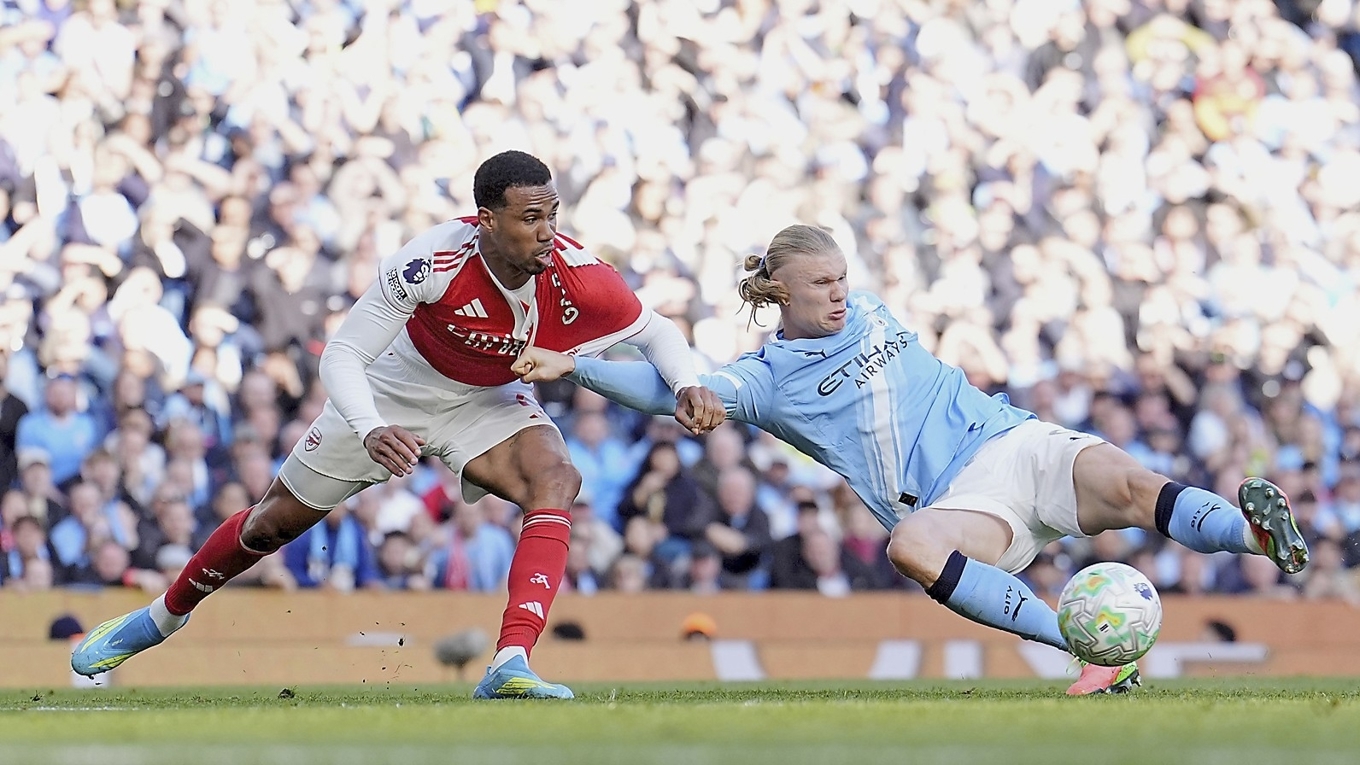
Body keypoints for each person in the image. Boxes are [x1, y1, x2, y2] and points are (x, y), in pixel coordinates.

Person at [513, 224, 1310, 696]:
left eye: (841, 278)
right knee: (911, 546)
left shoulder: (868, 308)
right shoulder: (764, 380)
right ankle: (1089, 650)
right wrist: (576, 365)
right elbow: (671, 391)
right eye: (820, 283)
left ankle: (1254, 536)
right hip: (960, 502)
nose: (838, 292)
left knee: (1135, 482)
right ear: (782, 293)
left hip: (1014, 438)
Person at [71, 151, 724, 699]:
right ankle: (161, 618)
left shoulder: (579, 276)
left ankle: (510, 662)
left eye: (552, 214)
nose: (547, 231)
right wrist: (369, 426)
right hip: (391, 390)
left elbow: (655, 331)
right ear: (486, 221)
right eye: (530, 218)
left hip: (487, 400)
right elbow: (343, 354)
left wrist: (687, 382)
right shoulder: (432, 261)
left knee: (556, 477)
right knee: (271, 525)